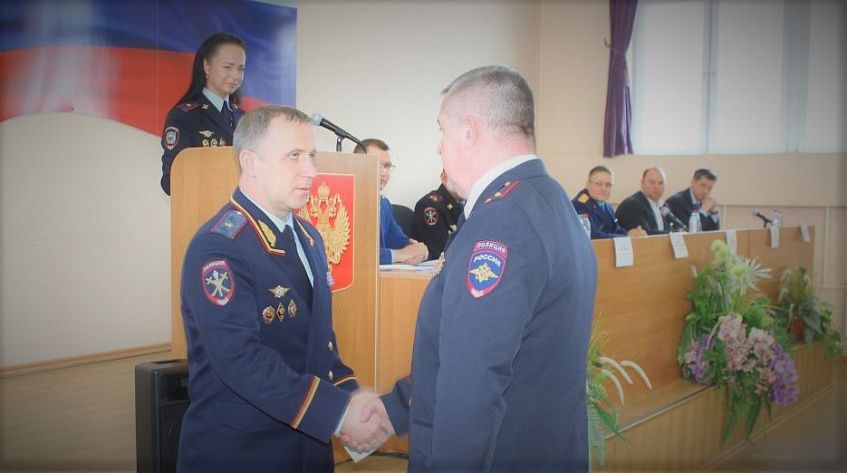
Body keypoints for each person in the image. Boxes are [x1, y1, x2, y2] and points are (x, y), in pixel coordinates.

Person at [351, 66, 597, 471]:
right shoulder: (548, 199)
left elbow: (473, 383)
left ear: (468, 131)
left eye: (441, 130)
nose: (439, 147)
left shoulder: (502, 221)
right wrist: (396, 408)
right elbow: (496, 350)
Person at [177, 105, 391, 472]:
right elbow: (241, 361)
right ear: (250, 162)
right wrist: (338, 413)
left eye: (312, 156)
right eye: (294, 156)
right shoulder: (219, 247)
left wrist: (352, 398)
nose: (311, 170)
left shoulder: (309, 237)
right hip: (244, 452)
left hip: (307, 445)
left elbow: (320, 341)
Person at [159, 33, 247, 195]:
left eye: (240, 69)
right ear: (207, 66)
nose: (235, 76)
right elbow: (171, 181)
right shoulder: (185, 116)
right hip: (204, 208)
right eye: (227, 67)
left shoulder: (245, 119)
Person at [353, 139, 428, 264]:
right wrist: (400, 255)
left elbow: (398, 241)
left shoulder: (383, 204)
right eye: (377, 166)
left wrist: (416, 249)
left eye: (387, 166)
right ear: (357, 165)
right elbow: (356, 254)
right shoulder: (343, 203)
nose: (384, 173)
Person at [571, 165, 647, 239]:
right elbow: (592, 236)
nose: (603, 189)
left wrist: (632, 233)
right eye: (598, 184)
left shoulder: (607, 206)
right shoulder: (579, 206)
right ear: (588, 185)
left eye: (608, 184)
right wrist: (627, 236)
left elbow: (615, 230)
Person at [411, 169, 464, 259]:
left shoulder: (466, 203)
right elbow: (440, 250)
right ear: (444, 177)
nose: (463, 182)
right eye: (458, 177)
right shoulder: (430, 206)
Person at [615, 167, 672, 234]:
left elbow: (671, 228)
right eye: (652, 182)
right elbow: (646, 234)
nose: (656, 186)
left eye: (661, 183)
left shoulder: (664, 206)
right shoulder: (632, 205)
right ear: (642, 183)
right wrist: (675, 233)